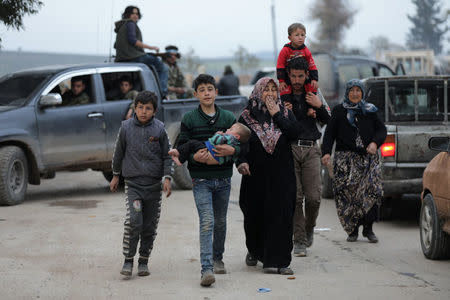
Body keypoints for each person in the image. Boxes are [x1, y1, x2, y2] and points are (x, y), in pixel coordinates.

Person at [236, 77, 302, 275]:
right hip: (255, 177)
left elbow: (295, 133)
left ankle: (280, 261)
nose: (271, 94)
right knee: (255, 216)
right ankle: (255, 250)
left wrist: (277, 115)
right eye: (267, 90)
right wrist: (241, 161)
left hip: (282, 176)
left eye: (274, 90)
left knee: (282, 215)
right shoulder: (246, 117)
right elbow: (241, 143)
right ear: (258, 92)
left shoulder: (285, 113)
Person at [177, 74, 238, 287]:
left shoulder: (229, 118)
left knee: (220, 222)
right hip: (200, 180)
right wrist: (193, 156)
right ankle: (206, 269)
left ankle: (217, 257)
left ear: (216, 92)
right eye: (201, 90)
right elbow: (181, 145)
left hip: (223, 179)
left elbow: (240, 146)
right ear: (195, 94)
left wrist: (232, 151)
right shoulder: (189, 119)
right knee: (207, 222)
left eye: (210, 89)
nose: (206, 93)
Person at [110, 91, 173, 277]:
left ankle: (143, 261)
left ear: (154, 111)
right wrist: (115, 175)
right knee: (134, 221)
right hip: (134, 186)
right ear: (134, 108)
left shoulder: (160, 129)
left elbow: (167, 156)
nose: (143, 111)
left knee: (149, 226)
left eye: (148, 108)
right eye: (140, 107)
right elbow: (118, 153)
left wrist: (167, 178)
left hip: (153, 187)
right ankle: (128, 260)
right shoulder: (126, 127)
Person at [321, 79, 387, 243]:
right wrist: (326, 153)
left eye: (358, 90)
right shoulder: (338, 111)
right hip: (345, 161)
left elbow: (381, 130)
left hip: (368, 160)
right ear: (347, 92)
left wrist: (374, 143)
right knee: (348, 195)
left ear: (363, 93)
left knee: (371, 191)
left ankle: (368, 229)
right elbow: (329, 134)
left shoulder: (370, 111)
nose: (355, 93)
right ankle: (352, 230)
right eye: (352, 90)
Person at [281, 57, 330, 257]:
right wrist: (284, 113)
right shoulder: (283, 96)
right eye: (293, 76)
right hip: (290, 149)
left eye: (300, 76)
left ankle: (310, 227)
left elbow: (328, 120)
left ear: (307, 75)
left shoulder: (315, 93)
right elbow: (277, 123)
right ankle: (299, 240)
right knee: (296, 197)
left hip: (311, 149)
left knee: (314, 198)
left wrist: (318, 106)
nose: (297, 80)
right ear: (288, 75)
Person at [114, 6, 168, 97]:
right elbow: (132, 40)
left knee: (142, 74)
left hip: (122, 59)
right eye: (133, 13)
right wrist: (151, 48)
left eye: (137, 13)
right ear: (127, 14)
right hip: (133, 57)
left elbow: (116, 45)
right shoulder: (130, 23)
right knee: (162, 67)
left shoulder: (121, 27)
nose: (135, 15)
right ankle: (162, 94)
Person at [169, 122, 250, 166]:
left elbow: (216, 141)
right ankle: (180, 159)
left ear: (236, 136)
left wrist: (217, 134)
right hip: (215, 158)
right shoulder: (236, 143)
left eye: (231, 129)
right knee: (191, 147)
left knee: (191, 143)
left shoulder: (230, 138)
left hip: (210, 152)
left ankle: (178, 153)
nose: (228, 129)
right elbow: (236, 157)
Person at [277, 23, 318, 97]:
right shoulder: (285, 50)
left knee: (312, 86)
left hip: (302, 76)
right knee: (284, 89)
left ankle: (311, 102)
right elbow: (280, 65)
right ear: (289, 38)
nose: (300, 38)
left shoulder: (306, 51)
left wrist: (314, 79)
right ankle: (287, 102)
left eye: (302, 35)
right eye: (297, 35)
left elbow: (312, 65)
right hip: (288, 75)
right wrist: (281, 81)